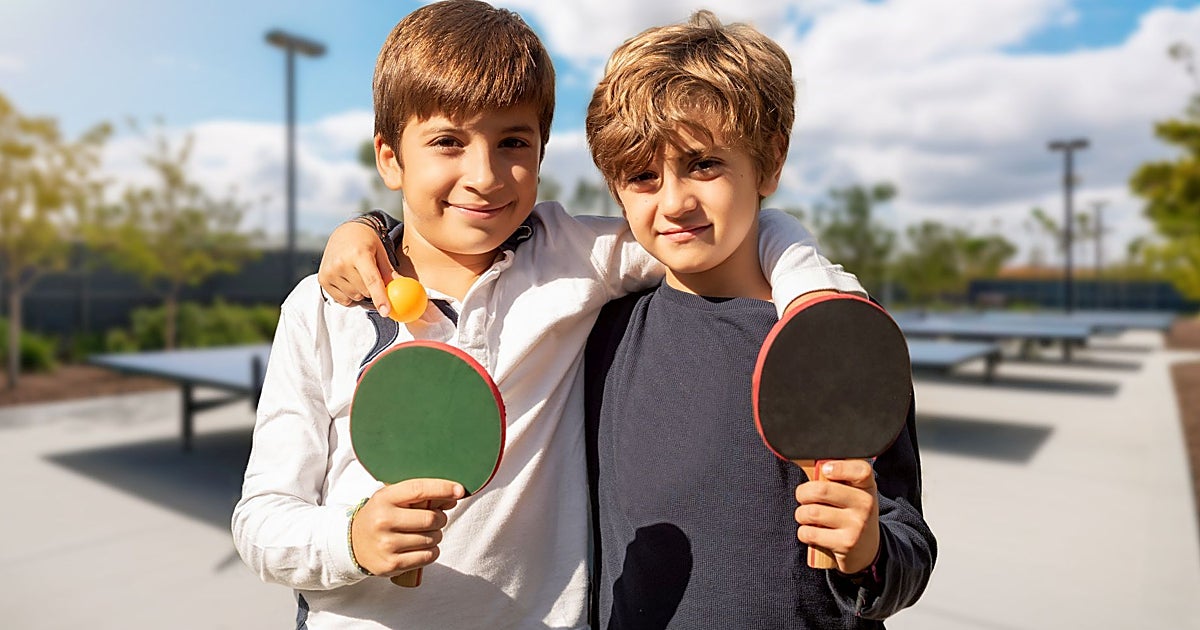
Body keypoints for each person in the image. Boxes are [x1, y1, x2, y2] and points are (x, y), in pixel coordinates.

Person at [235, 1, 862, 628]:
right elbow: (260, 520)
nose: (482, 176)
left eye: (513, 141)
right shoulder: (320, 307)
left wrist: (814, 300)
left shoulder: (572, 254)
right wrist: (350, 540)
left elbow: (729, 226)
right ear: (390, 158)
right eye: (447, 142)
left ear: (541, 150)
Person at [581, 11, 936, 628]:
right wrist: (372, 230)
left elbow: (909, 544)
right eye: (643, 175)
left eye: (703, 164)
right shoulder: (600, 334)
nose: (674, 201)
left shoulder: (835, 336)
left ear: (769, 162)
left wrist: (868, 551)